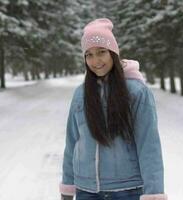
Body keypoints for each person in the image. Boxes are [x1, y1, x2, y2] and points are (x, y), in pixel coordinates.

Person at [59, 18, 167, 200]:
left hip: (127, 190)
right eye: (89, 55)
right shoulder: (81, 93)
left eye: (101, 52)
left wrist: (154, 193)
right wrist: (67, 188)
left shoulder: (136, 92)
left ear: (113, 54)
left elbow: (149, 146)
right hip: (86, 190)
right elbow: (72, 142)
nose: (95, 61)